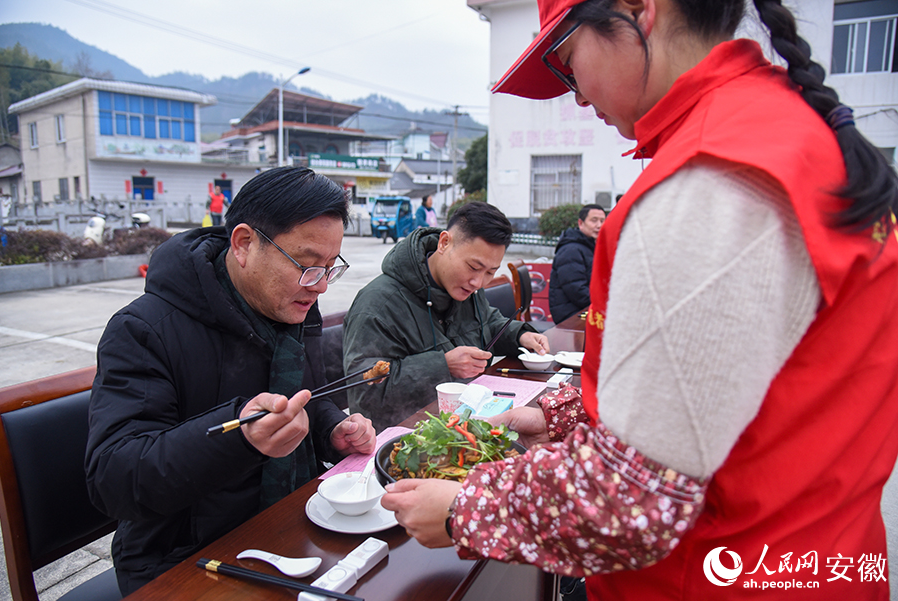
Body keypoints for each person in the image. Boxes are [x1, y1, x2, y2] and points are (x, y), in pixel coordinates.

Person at [381, 1, 898, 599]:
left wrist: (464, 508)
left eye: (568, 61)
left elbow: (628, 498)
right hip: (816, 552)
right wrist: (563, 414)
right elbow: (732, 383)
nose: (575, 96)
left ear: (637, 10)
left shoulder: (708, 180)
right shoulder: (789, 136)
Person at [85, 167, 376, 595]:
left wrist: (331, 425)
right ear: (243, 244)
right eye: (307, 265)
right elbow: (113, 480)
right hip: (186, 557)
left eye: (330, 269)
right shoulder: (145, 329)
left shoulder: (294, 306)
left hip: (288, 524)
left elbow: (304, 400)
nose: (319, 287)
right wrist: (239, 437)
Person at [342, 201, 550, 430]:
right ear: (444, 242)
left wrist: (521, 336)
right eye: (473, 267)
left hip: (469, 424)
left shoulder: (466, 289)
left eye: (490, 272)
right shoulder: (378, 305)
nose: (478, 282)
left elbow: (488, 322)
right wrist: (442, 365)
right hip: (410, 438)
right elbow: (366, 392)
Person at [548, 204, 605, 323]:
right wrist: (604, 303)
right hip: (570, 314)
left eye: (602, 221)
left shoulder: (589, 246)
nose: (599, 225)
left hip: (583, 308)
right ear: (581, 223)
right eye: (594, 221)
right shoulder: (571, 250)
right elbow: (577, 291)